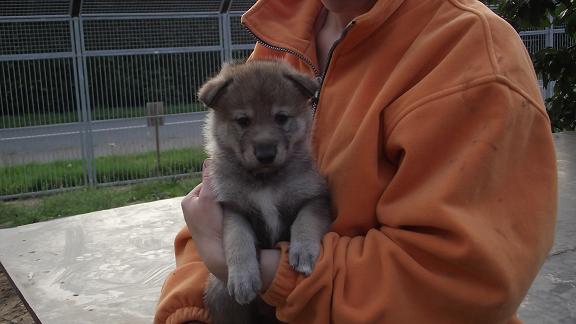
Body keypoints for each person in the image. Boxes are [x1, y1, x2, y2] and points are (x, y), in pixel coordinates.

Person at [154, 0, 557, 322]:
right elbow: (209, 219)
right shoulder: (283, 37)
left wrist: (269, 273)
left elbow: (458, 284)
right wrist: (190, 311)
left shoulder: (469, 54)